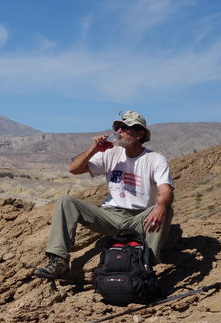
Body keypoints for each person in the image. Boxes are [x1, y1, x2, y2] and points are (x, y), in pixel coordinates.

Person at [34, 111, 175, 279]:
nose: (120, 131)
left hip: (139, 219)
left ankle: (147, 264)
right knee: (66, 201)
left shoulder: (155, 159)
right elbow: (74, 169)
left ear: (140, 134)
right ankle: (59, 261)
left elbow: (166, 189)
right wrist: (94, 149)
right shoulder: (111, 153)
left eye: (125, 127)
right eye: (118, 127)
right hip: (110, 216)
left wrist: (161, 206)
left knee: (165, 209)